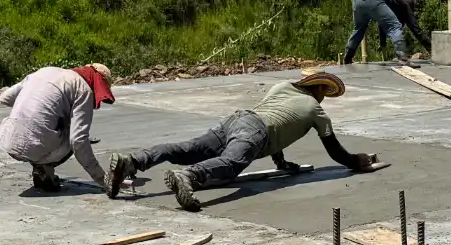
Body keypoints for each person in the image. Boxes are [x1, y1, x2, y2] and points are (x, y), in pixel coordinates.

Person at [106, 69, 381, 212]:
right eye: (325, 92)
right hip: (254, 132)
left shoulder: (283, 87)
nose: (325, 98)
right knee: (231, 163)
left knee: (186, 148)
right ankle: (188, 176)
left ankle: (132, 161)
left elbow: (275, 118)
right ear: (319, 87)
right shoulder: (316, 111)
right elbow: (335, 153)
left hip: (236, 120)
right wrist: (357, 161)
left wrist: (281, 163)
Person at [0, 63, 114, 193]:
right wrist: (103, 179)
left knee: (46, 129)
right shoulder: (83, 89)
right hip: (35, 146)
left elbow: (4, 98)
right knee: (76, 135)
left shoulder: (45, 71)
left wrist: (33, 107)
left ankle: (40, 166)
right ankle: (44, 168)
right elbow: (77, 141)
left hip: (8, 141)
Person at [340, 0, 425, 64]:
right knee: (395, 26)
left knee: (359, 29)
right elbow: (410, 20)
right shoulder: (399, 0)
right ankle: (403, 58)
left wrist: (383, 44)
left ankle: (348, 57)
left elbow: (381, 24)